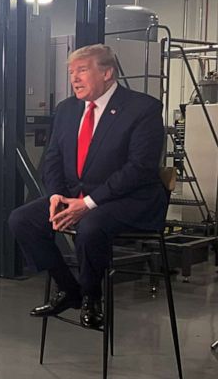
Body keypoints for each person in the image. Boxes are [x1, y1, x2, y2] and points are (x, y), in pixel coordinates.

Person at [9, 43, 167, 329]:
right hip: (74, 195)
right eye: (71, 72)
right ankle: (70, 289)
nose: (74, 79)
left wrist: (89, 203)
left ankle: (93, 298)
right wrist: (57, 195)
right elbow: (53, 158)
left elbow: (140, 169)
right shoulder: (67, 109)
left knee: (91, 227)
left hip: (129, 199)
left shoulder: (143, 108)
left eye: (82, 70)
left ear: (107, 73)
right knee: (22, 220)